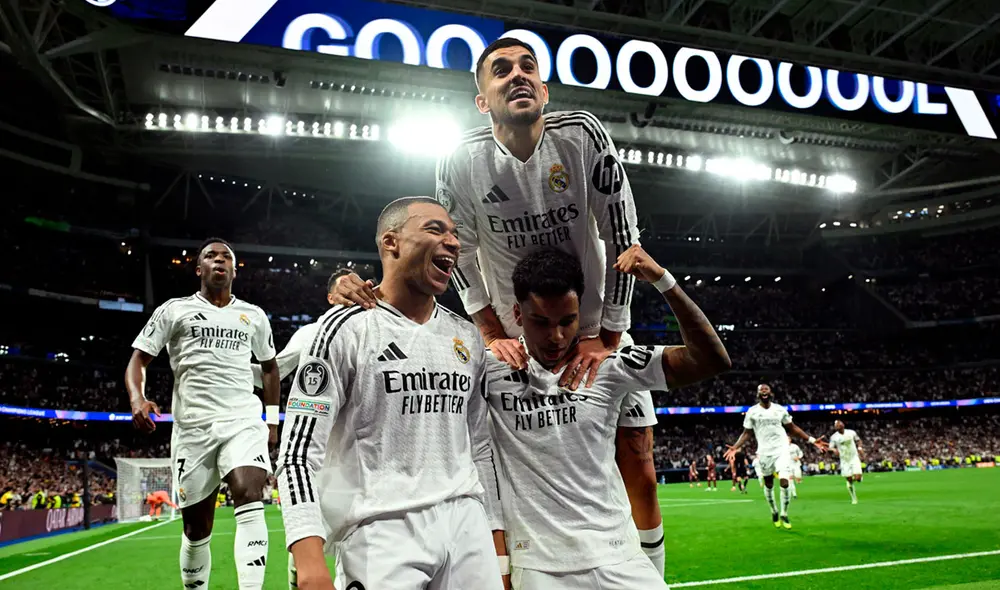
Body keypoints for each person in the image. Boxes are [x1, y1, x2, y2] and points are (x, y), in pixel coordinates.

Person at [332, 37, 666, 576]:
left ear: (544, 89)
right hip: (515, 336)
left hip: (592, 325)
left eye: (528, 67)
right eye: (501, 70)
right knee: (509, 455)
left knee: (640, 457)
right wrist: (488, 328)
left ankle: (651, 570)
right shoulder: (463, 159)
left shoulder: (582, 135)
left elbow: (623, 234)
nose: (518, 76)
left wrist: (606, 333)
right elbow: (453, 246)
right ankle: (511, 568)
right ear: (482, 100)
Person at [276, 197, 504, 590]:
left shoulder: (465, 335)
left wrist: (496, 546)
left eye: (454, 233)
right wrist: (310, 561)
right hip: (381, 531)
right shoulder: (342, 330)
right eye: (435, 230)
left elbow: (481, 446)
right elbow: (298, 454)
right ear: (391, 243)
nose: (452, 242)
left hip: (466, 523)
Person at [486, 245, 730, 589]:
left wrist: (663, 281)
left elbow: (711, 360)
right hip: (541, 568)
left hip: (618, 557)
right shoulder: (489, 371)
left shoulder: (610, 365)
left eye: (567, 321)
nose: (556, 337)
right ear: (517, 313)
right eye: (541, 322)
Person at [126, 238, 281, 590]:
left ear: (234, 269)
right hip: (192, 429)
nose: (219, 260)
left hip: (242, 421)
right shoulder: (173, 310)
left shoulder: (253, 315)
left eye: (226, 256)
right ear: (199, 269)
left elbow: (270, 368)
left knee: (249, 491)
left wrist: (271, 420)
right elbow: (139, 359)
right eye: (211, 256)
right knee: (197, 530)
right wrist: (138, 398)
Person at [723, 385, 827, 530]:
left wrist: (812, 440)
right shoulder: (752, 412)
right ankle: (774, 510)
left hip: (782, 450)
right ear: (758, 394)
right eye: (761, 390)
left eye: (766, 389)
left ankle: (784, 512)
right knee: (769, 484)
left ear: (771, 393)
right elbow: (747, 432)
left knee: (784, 481)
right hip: (764, 452)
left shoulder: (779, 409)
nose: (764, 391)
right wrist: (735, 446)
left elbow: (792, 428)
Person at [828, 420, 864, 504]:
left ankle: (858, 478)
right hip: (844, 460)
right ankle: (854, 498)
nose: (838, 426)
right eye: (836, 425)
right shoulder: (834, 437)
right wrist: (833, 450)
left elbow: (858, 440)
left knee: (858, 478)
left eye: (839, 424)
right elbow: (830, 448)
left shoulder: (851, 432)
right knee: (849, 479)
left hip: (854, 457)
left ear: (843, 425)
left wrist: (860, 448)